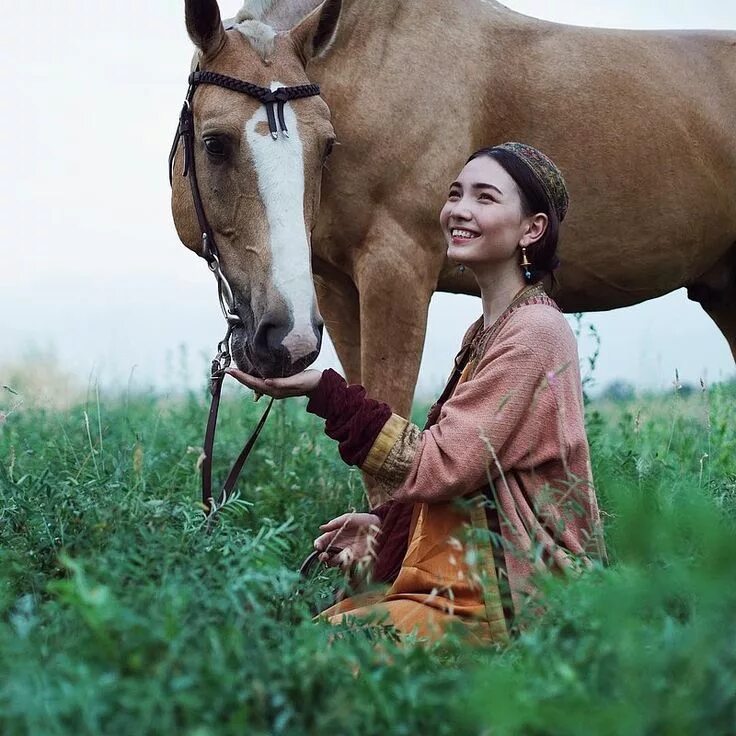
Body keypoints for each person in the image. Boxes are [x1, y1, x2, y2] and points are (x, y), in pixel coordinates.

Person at [227, 142, 606, 644]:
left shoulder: (535, 332)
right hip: (470, 583)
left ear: (532, 229)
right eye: (456, 194)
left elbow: (440, 462)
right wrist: (385, 529)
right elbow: (470, 473)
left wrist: (325, 390)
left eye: (485, 198)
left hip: (519, 598)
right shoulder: (490, 329)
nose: (459, 210)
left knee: (323, 654)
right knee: (310, 640)